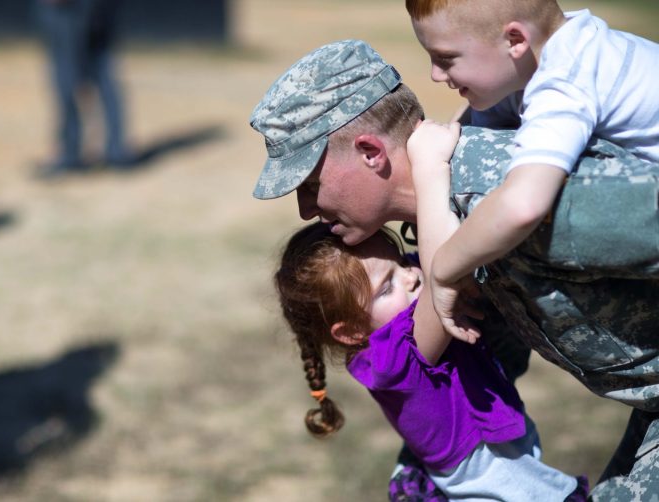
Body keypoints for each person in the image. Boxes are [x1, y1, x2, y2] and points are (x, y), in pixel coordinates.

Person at [249, 39, 659, 500]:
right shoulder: (426, 232)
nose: (305, 210)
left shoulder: (506, 194)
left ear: (370, 151)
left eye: (309, 184)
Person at [274, 121, 588, 498]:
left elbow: (427, 255)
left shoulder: (391, 307)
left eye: (401, 264)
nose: (411, 276)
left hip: (497, 447)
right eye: (388, 285)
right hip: (487, 474)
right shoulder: (388, 359)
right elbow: (444, 266)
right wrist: (429, 166)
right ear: (351, 331)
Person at [404, 0, 659, 340]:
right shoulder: (546, 56)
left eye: (446, 58)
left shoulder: (564, 81)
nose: (435, 74)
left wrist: (443, 269)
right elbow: (466, 140)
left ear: (515, 40)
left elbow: (522, 205)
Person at [35, 0, 135, 177]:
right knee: (102, 69)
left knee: (68, 73)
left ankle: (70, 153)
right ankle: (116, 152)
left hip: (68, 7)